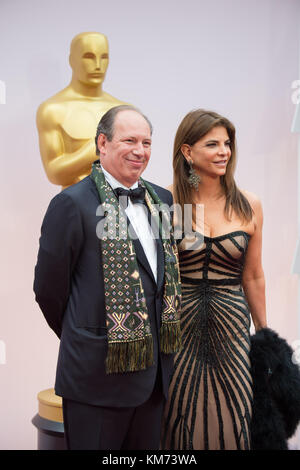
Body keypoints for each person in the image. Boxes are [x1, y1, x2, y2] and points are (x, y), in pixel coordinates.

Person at [34, 105, 182, 450]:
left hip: (154, 379)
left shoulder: (162, 199)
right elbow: (48, 291)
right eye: (129, 140)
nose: (140, 150)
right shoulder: (72, 203)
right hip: (96, 379)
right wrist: (85, 335)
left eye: (146, 142)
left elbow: (162, 279)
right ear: (102, 143)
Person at [161, 109, 267, 450]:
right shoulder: (168, 201)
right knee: (179, 413)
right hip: (180, 325)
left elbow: (252, 275)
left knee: (235, 411)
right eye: (213, 144)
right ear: (188, 152)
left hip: (232, 327)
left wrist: (264, 337)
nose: (224, 151)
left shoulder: (249, 204)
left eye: (227, 143)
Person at [36, 32, 128, 189]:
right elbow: (54, 173)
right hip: (73, 207)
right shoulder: (53, 110)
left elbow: (132, 167)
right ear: (72, 60)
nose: (98, 65)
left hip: (117, 207)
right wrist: (96, 150)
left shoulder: (123, 110)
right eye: (89, 56)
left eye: (104, 57)